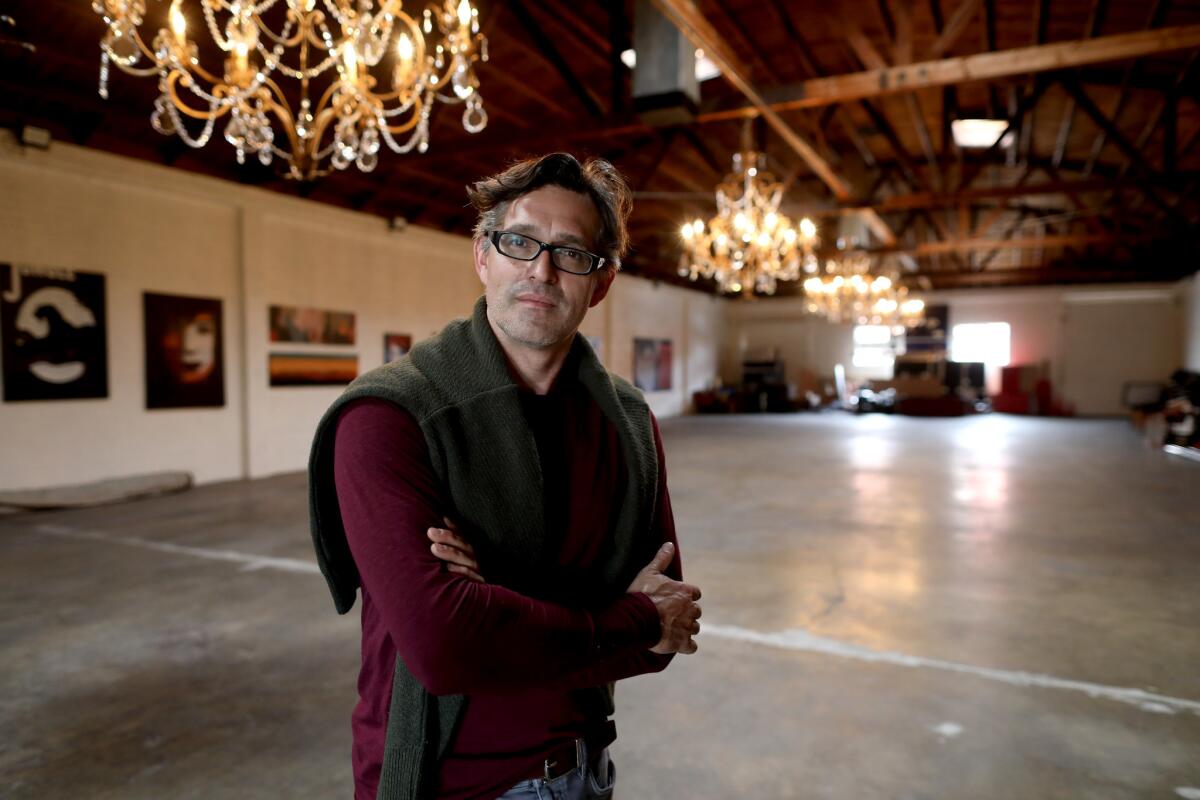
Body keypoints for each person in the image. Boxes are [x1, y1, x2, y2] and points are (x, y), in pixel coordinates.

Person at [307, 152, 703, 800]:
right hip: (450, 787)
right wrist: (619, 613)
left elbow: (667, 634)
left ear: (600, 282)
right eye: (519, 242)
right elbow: (444, 648)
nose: (540, 270)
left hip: (585, 774)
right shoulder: (389, 416)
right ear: (482, 255)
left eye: (570, 252)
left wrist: (492, 591)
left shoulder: (627, 421)